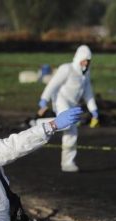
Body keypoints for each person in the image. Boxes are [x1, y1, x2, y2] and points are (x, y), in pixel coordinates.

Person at [38, 44, 99, 172]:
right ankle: (39, 124)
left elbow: (88, 92)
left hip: (73, 104)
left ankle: (68, 163)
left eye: (88, 61)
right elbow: (53, 84)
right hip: (61, 100)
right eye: (84, 60)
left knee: (72, 132)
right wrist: (44, 100)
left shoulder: (86, 74)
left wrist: (93, 109)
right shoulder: (66, 69)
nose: (86, 63)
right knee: (67, 123)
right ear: (78, 58)